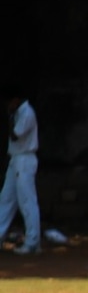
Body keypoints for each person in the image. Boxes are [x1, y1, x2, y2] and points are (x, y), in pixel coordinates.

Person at [0, 88, 41, 255]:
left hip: (25, 160)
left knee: (27, 201)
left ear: (15, 100)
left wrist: (9, 117)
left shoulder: (26, 113)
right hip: (16, 159)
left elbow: (15, 135)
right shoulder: (19, 112)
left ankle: (32, 243)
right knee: (6, 199)